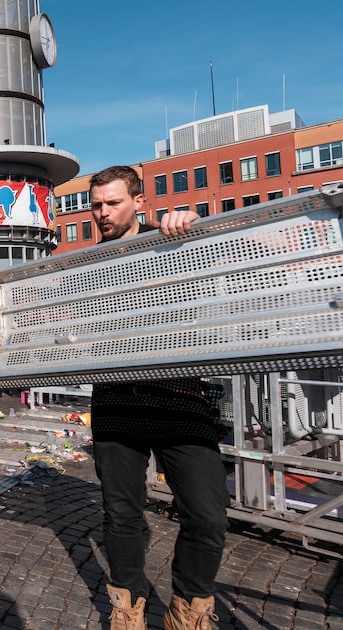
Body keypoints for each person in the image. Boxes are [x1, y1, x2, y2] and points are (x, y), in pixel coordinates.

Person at [87, 166, 225, 630]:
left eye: (113, 203)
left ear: (139, 202)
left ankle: (187, 612)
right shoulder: (82, 267)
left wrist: (192, 226)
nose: (102, 213)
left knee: (207, 516)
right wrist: (3, 298)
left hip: (179, 397)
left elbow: (222, 268)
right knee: (122, 515)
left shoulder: (170, 244)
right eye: (97, 205)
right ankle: (127, 609)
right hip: (115, 403)